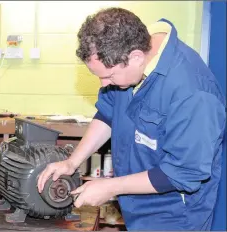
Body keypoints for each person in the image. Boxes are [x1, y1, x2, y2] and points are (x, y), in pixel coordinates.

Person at [37, 7, 226, 230]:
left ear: (136, 57)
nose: (104, 84)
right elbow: (108, 114)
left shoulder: (194, 94)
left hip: (174, 217)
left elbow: (184, 173)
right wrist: (72, 161)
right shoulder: (127, 63)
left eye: (108, 76)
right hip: (134, 207)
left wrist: (110, 187)